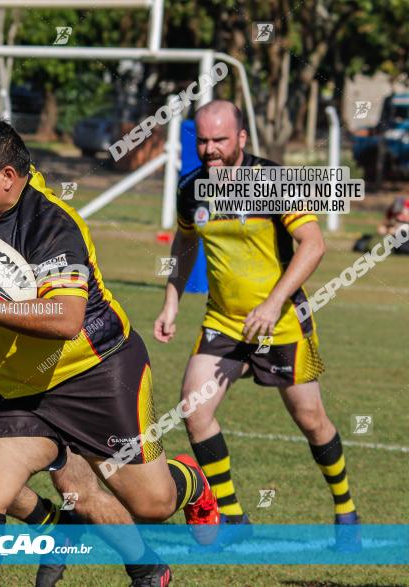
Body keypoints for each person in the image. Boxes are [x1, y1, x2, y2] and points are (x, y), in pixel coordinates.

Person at [0, 117, 219, 586]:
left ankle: (189, 481)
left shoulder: (52, 226)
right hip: (8, 383)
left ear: (7, 178)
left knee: (151, 503)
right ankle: (89, 546)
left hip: (94, 373)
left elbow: (67, 319)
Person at [154, 100, 360, 540]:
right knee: (195, 408)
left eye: (219, 140)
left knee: (311, 420)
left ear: (241, 139)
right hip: (224, 323)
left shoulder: (273, 182)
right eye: (203, 140)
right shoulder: (191, 188)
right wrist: (171, 299)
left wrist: (272, 304)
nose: (209, 149)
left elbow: (313, 244)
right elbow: (185, 243)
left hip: (283, 322)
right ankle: (233, 517)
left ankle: (346, 508)